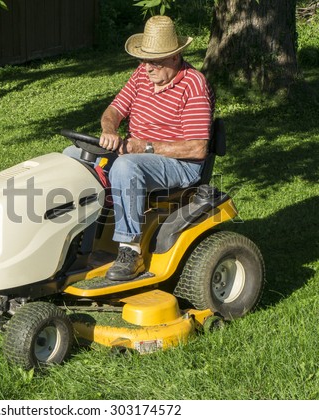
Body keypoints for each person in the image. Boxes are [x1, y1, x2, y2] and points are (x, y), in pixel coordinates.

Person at [97, 15, 215, 281]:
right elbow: (114, 109)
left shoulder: (194, 84)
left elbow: (197, 149)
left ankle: (131, 252)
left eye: (154, 61)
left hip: (181, 165)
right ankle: (82, 238)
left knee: (126, 166)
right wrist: (109, 129)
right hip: (139, 153)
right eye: (144, 60)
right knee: (74, 158)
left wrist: (145, 147)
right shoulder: (141, 75)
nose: (147, 67)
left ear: (175, 57)